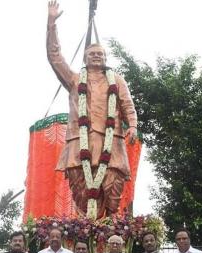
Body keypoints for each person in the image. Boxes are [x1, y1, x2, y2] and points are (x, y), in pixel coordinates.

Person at [47, 0, 138, 219]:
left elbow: (127, 105)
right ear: (85, 58)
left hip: (111, 140)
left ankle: (112, 233)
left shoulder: (117, 80)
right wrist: (51, 23)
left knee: (112, 188)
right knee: (80, 188)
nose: (96, 56)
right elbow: (55, 57)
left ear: (106, 59)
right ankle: (83, 232)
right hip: (80, 139)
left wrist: (133, 125)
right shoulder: (75, 79)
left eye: (101, 54)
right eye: (92, 53)